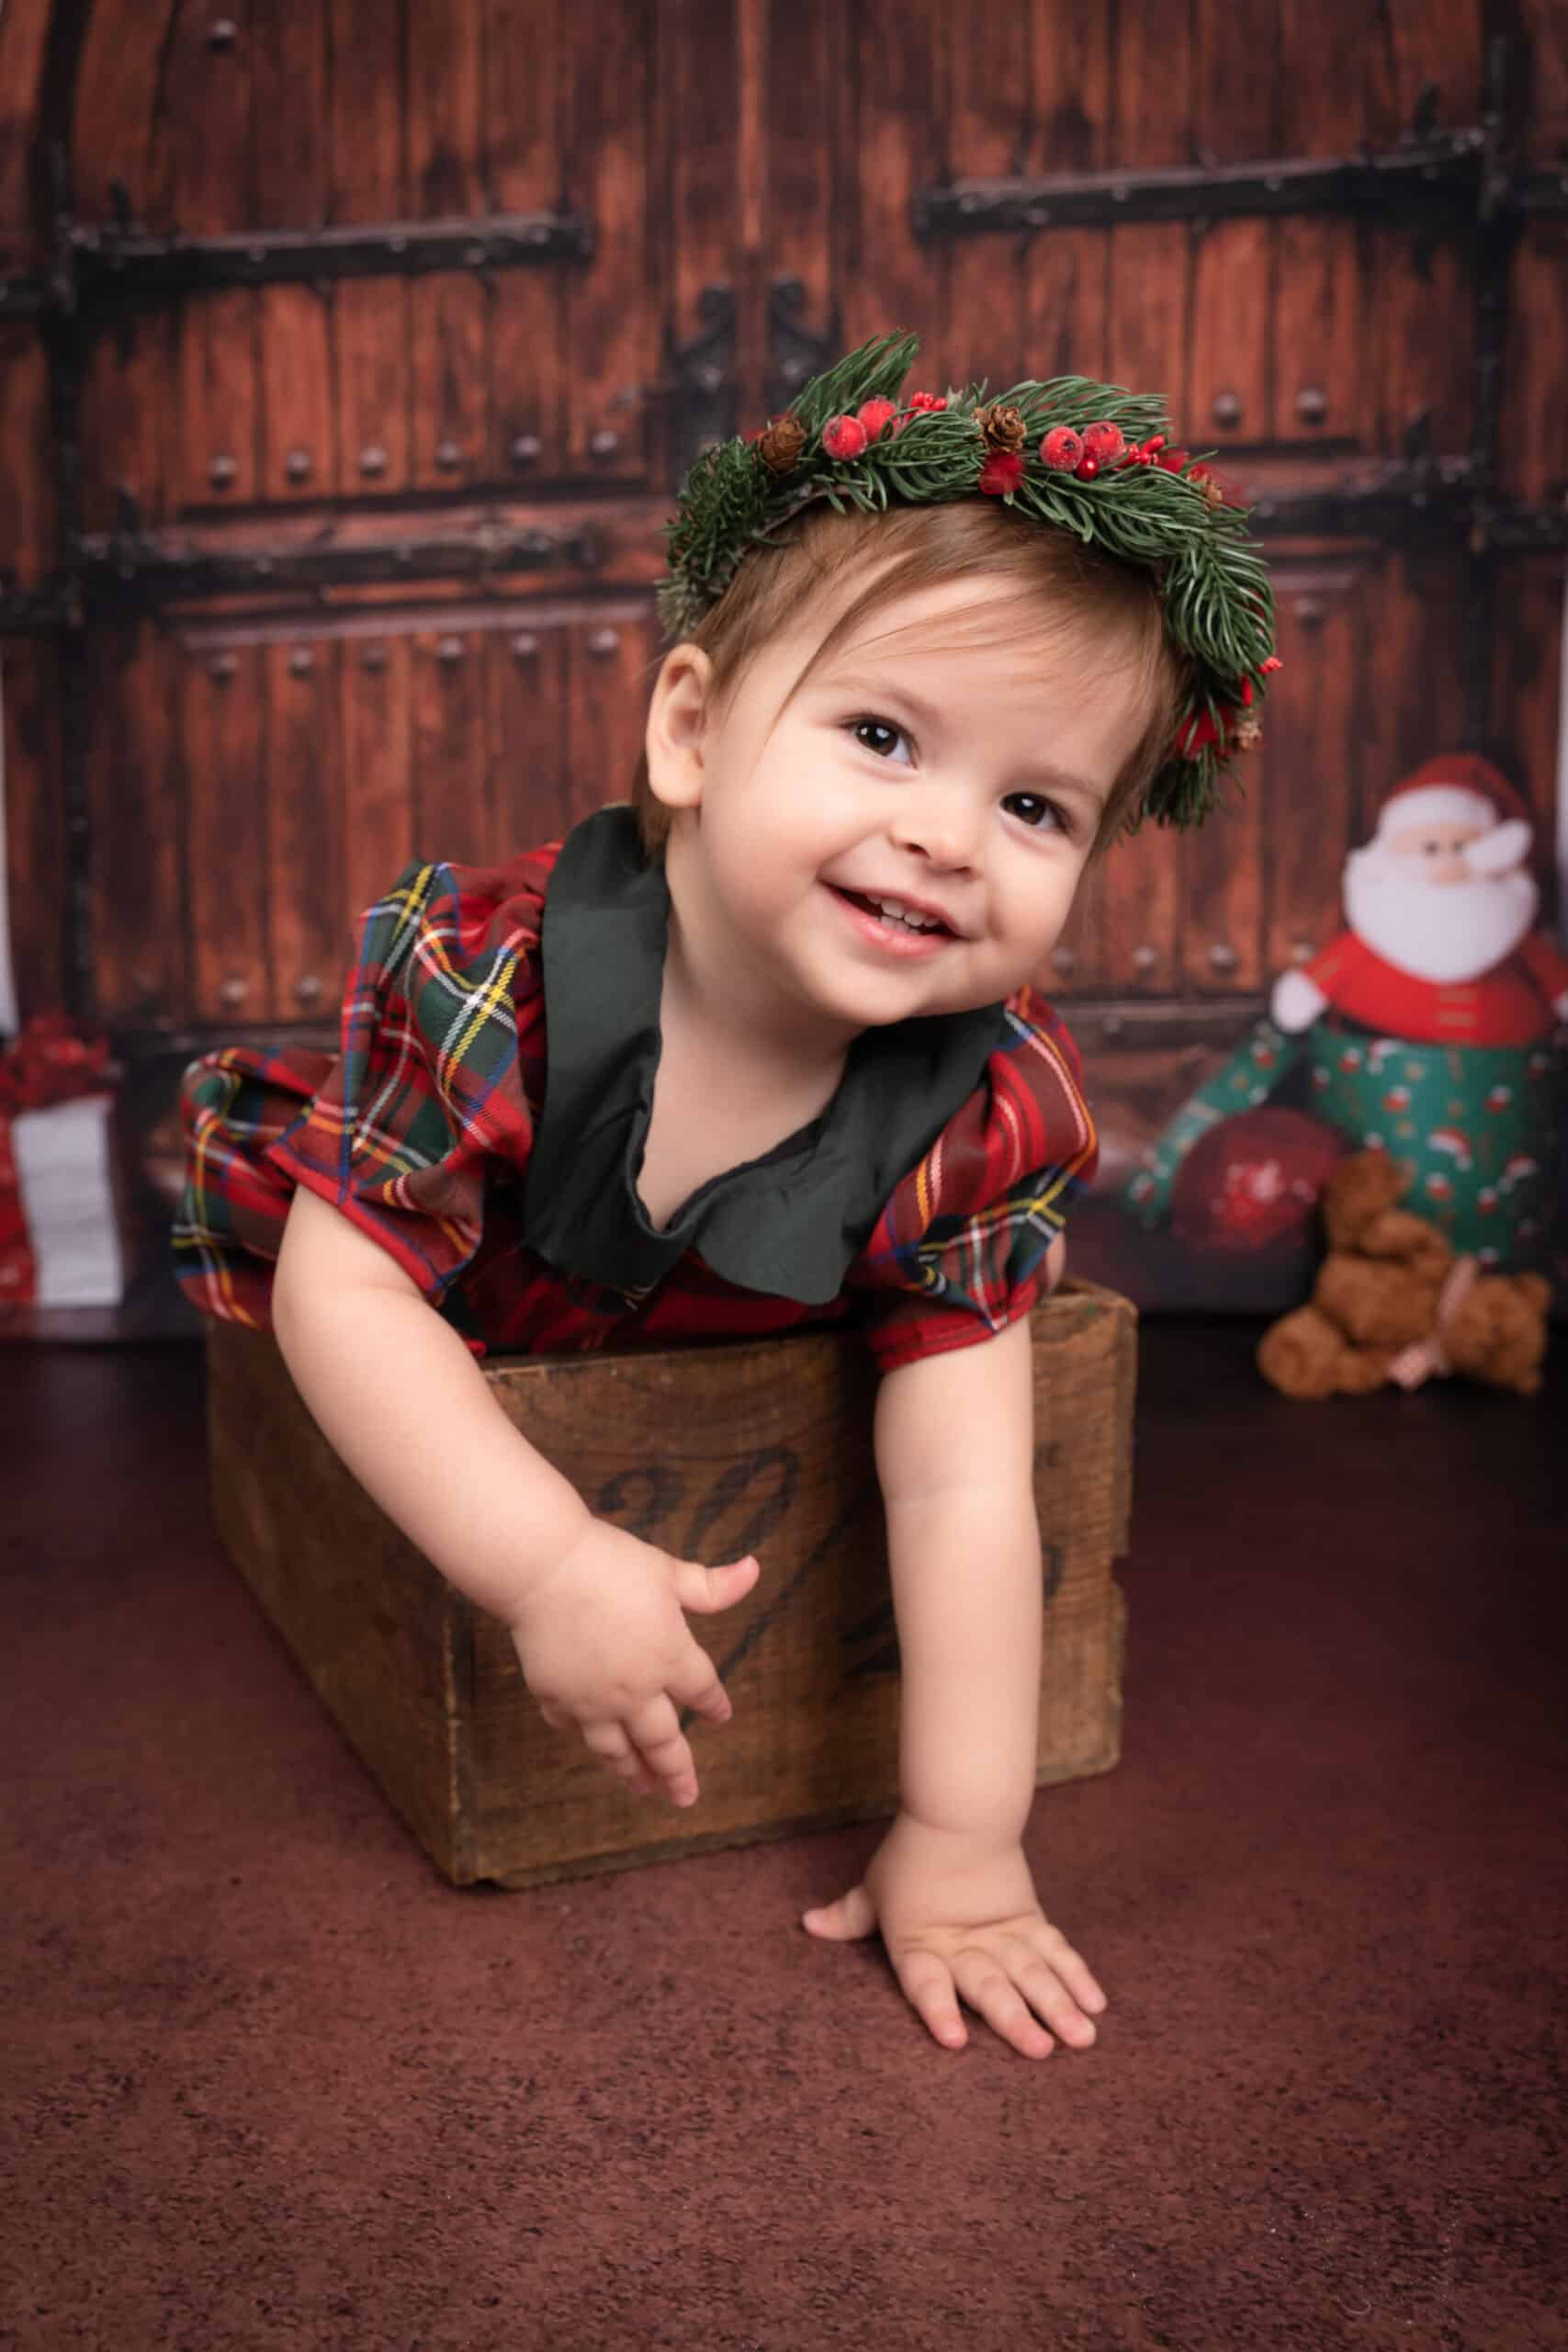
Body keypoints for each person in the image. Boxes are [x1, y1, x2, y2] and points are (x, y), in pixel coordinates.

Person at [173, 329, 1278, 2062]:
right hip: (461, 1360)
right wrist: (541, 1561)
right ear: (692, 731)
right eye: (883, 734)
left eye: (1037, 804)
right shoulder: (510, 976)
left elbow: (964, 1485)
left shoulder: (979, 1107)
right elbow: (348, 1293)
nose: (949, 836)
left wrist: (969, 1846)